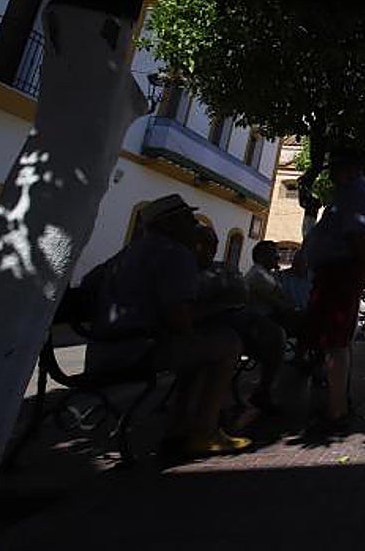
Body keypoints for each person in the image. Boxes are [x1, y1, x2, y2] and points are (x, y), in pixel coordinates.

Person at [91, 194, 251, 457]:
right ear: (170, 223)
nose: (193, 225)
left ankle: (180, 425)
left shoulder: (129, 251)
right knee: (227, 342)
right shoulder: (175, 254)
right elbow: (178, 320)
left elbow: (89, 284)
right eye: (188, 219)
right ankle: (204, 430)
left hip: (104, 348)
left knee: (199, 349)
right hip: (138, 350)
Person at [292, 148, 365, 431]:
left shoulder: (356, 194)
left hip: (340, 272)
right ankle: (335, 402)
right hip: (335, 271)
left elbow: (358, 235)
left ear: (350, 168)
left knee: (335, 340)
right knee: (331, 338)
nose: (330, 174)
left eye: (335, 168)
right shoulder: (349, 193)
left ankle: (336, 409)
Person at [194, 225, 288, 413]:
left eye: (215, 244)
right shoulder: (258, 275)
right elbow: (279, 299)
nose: (277, 257)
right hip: (243, 326)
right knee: (272, 337)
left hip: (245, 323)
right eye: (208, 244)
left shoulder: (267, 274)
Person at [245, 239, 305, 338]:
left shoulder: (265, 273)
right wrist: (296, 310)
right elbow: (278, 302)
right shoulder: (259, 275)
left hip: (266, 318)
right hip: (261, 321)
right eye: (273, 253)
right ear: (262, 256)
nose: (278, 257)